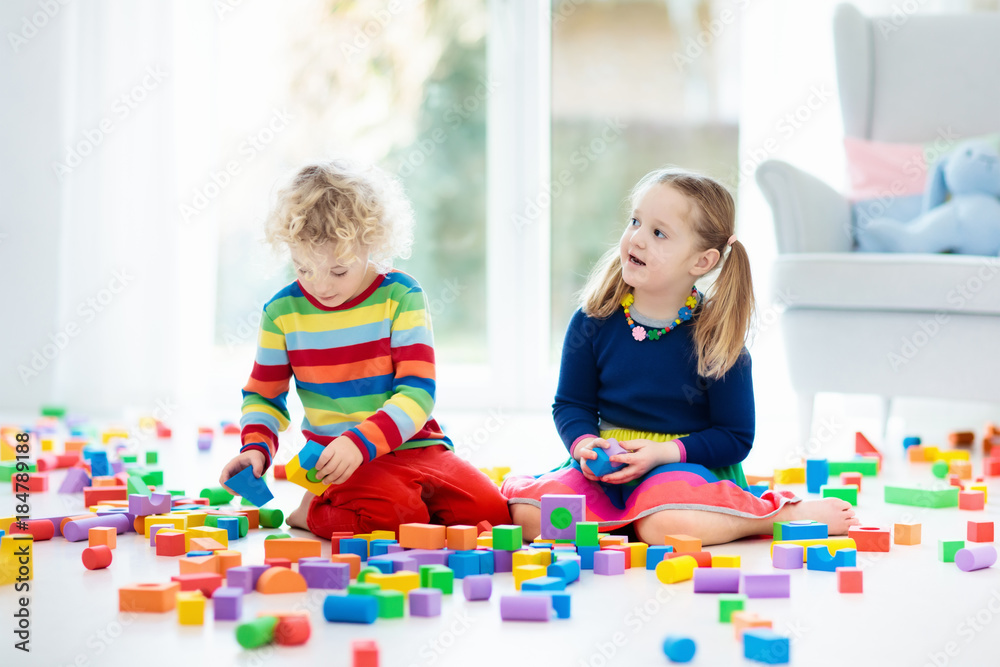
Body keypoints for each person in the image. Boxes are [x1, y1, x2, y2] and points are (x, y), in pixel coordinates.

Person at [502, 168, 860, 546]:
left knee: (664, 525)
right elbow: (571, 404)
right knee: (528, 513)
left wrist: (664, 452)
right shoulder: (593, 321)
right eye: (635, 221)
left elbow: (735, 436)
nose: (636, 238)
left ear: (701, 262)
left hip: (684, 468)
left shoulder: (717, 338)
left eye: (658, 233)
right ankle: (626, 518)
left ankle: (771, 517)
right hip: (610, 469)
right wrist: (584, 444)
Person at [219, 159, 511, 537]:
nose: (320, 286)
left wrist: (363, 441)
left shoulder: (401, 295)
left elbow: (417, 393)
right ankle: (312, 511)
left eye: (338, 270)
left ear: (371, 243)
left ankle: (393, 503)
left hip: (416, 445)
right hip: (340, 461)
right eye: (303, 268)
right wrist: (255, 449)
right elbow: (264, 395)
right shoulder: (281, 312)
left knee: (491, 513)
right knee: (394, 521)